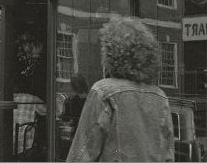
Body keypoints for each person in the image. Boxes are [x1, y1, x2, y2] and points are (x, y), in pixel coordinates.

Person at [67, 17, 174, 162]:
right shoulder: (160, 97)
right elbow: (167, 156)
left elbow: (82, 153)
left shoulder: (103, 91)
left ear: (111, 53)